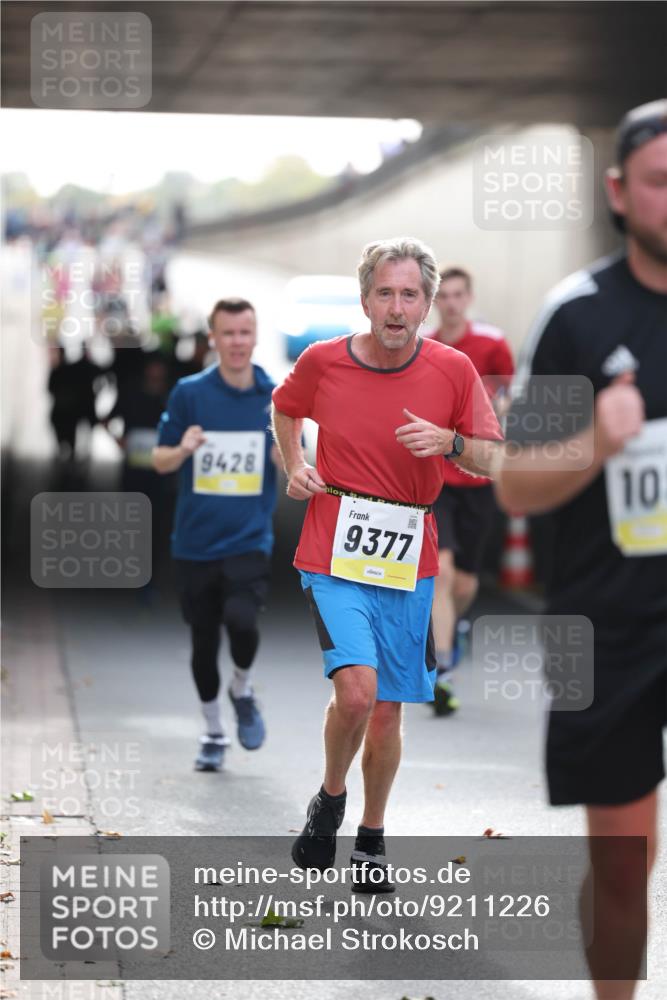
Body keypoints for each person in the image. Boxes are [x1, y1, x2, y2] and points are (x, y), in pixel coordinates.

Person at [495, 99, 667, 999]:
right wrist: (595, 441)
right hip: (608, 629)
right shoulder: (578, 317)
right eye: (659, 182)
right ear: (617, 191)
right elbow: (514, 484)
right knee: (619, 869)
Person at [272, 237, 502, 890]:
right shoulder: (323, 362)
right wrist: (296, 467)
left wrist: (451, 443)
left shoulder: (453, 370)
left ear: (427, 304)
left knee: (389, 710)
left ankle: (370, 836)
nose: (396, 307)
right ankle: (331, 798)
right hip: (332, 545)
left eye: (409, 295)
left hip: (409, 551)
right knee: (356, 691)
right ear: (365, 298)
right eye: (384, 293)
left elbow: (491, 458)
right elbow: (285, 408)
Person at [153, 298, 279, 771]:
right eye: (228, 334)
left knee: (243, 620)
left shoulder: (274, 395)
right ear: (213, 339)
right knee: (203, 642)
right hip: (194, 543)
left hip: (249, 539)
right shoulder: (190, 394)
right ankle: (212, 731)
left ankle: (242, 689)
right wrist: (183, 447)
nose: (237, 342)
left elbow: (295, 462)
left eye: (245, 332)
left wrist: (284, 459)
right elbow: (160, 459)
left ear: (255, 335)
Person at [428, 267, 514, 715]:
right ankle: (442, 670)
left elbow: (507, 398)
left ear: (470, 297)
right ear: (436, 301)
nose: (452, 303)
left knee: (464, 581)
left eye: (459, 295)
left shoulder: (492, 345)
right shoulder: (427, 347)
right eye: (445, 296)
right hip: (438, 477)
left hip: (479, 476)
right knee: (440, 572)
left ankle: (453, 628)